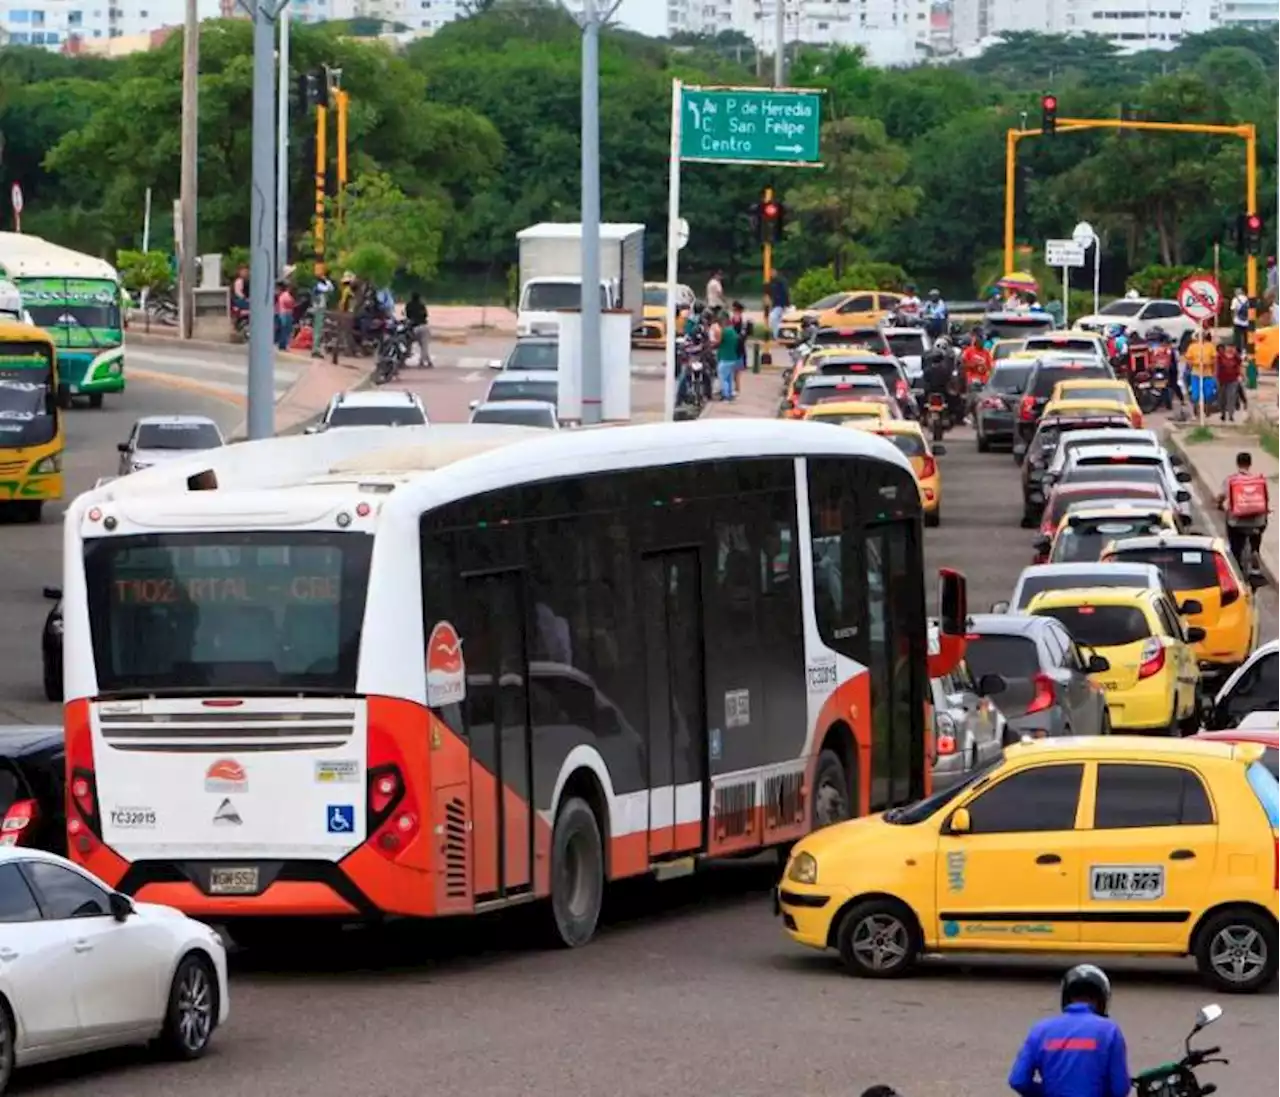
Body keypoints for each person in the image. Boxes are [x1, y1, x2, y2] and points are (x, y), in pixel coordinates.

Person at [1008, 965, 1129, 1097]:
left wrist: (1047, 1092)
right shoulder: (1109, 1031)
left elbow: (1018, 1080)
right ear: (1102, 999)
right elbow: (1120, 1089)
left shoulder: (1041, 1030)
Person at [1217, 450, 1269, 574]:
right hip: (1257, 521)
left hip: (1237, 522)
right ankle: (1255, 551)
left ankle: (1236, 564)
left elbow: (1221, 497)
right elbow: (1266, 499)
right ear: (1250, 464)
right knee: (1259, 529)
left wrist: (1218, 505)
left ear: (1237, 463)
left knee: (1235, 545)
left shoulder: (1230, 480)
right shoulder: (1259, 480)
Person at [716, 306, 741, 401]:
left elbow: (718, 342)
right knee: (729, 378)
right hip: (732, 358)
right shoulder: (732, 330)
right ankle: (730, 393)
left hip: (725, 357)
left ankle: (725, 395)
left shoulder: (724, 331)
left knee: (722, 377)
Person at [310, 266, 334, 359]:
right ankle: (315, 350)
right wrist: (326, 280)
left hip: (320, 310)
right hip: (319, 310)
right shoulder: (319, 286)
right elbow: (329, 289)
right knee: (318, 331)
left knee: (318, 330)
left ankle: (316, 349)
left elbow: (330, 289)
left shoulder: (320, 285)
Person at [405, 291, 433, 368]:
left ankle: (428, 361)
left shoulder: (409, 305)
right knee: (424, 346)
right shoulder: (421, 305)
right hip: (423, 326)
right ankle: (422, 361)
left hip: (413, 328)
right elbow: (426, 315)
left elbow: (408, 316)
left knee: (408, 343)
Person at [1216, 340, 1242, 422]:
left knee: (1231, 397)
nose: (1230, 349)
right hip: (1222, 380)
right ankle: (1223, 413)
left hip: (1233, 380)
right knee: (1222, 397)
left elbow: (1240, 365)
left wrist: (1241, 375)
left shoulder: (1236, 357)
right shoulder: (1220, 356)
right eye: (1229, 347)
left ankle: (1231, 415)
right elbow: (1216, 367)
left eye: (1232, 347)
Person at [766, 271, 789, 339]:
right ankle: (777, 335)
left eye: (772, 272)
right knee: (776, 319)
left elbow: (785, 293)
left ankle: (777, 336)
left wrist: (786, 304)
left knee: (773, 318)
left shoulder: (780, 282)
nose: (771, 274)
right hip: (776, 304)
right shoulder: (772, 282)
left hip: (780, 304)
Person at [274, 281, 295, 351]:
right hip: (285, 313)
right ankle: (282, 344)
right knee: (285, 330)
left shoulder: (284, 295)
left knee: (284, 330)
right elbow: (288, 303)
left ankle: (282, 344)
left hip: (284, 313)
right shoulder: (286, 295)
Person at [1231, 286, 1250, 353]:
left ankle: (1238, 352)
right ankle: (1247, 351)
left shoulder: (1235, 300)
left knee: (1237, 337)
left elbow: (1233, 310)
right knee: (1247, 338)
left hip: (1237, 321)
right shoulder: (1248, 299)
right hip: (1247, 321)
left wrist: (1233, 319)